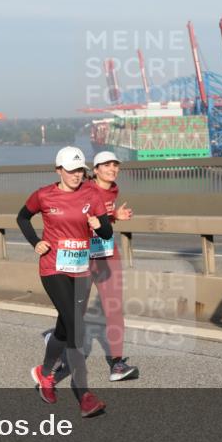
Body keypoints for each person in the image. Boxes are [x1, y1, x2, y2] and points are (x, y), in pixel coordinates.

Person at [17, 146, 114, 418]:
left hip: (81, 269)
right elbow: (22, 217)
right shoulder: (44, 195)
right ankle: (84, 395)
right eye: (71, 171)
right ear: (59, 170)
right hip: (53, 267)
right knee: (75, 325)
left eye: (80, 170)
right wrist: (36, 242)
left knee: (64, 324)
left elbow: (107, 231)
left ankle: (44, 373)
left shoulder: (92, 193)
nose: (76, 175)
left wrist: (99, 225)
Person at [87, 151, 139, 381]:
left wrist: (114, 216)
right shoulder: (85, 190)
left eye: (115, 165)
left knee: (114, 307)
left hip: (107, 252)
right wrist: (112, 216)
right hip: (82, 254)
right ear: (95, 169)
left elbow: (103, 221)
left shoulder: (113, 189)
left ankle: (116, 363)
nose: (112, 169)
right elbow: (85, 222)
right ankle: (57, 345)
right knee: (72, 310)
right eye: (106, 165)